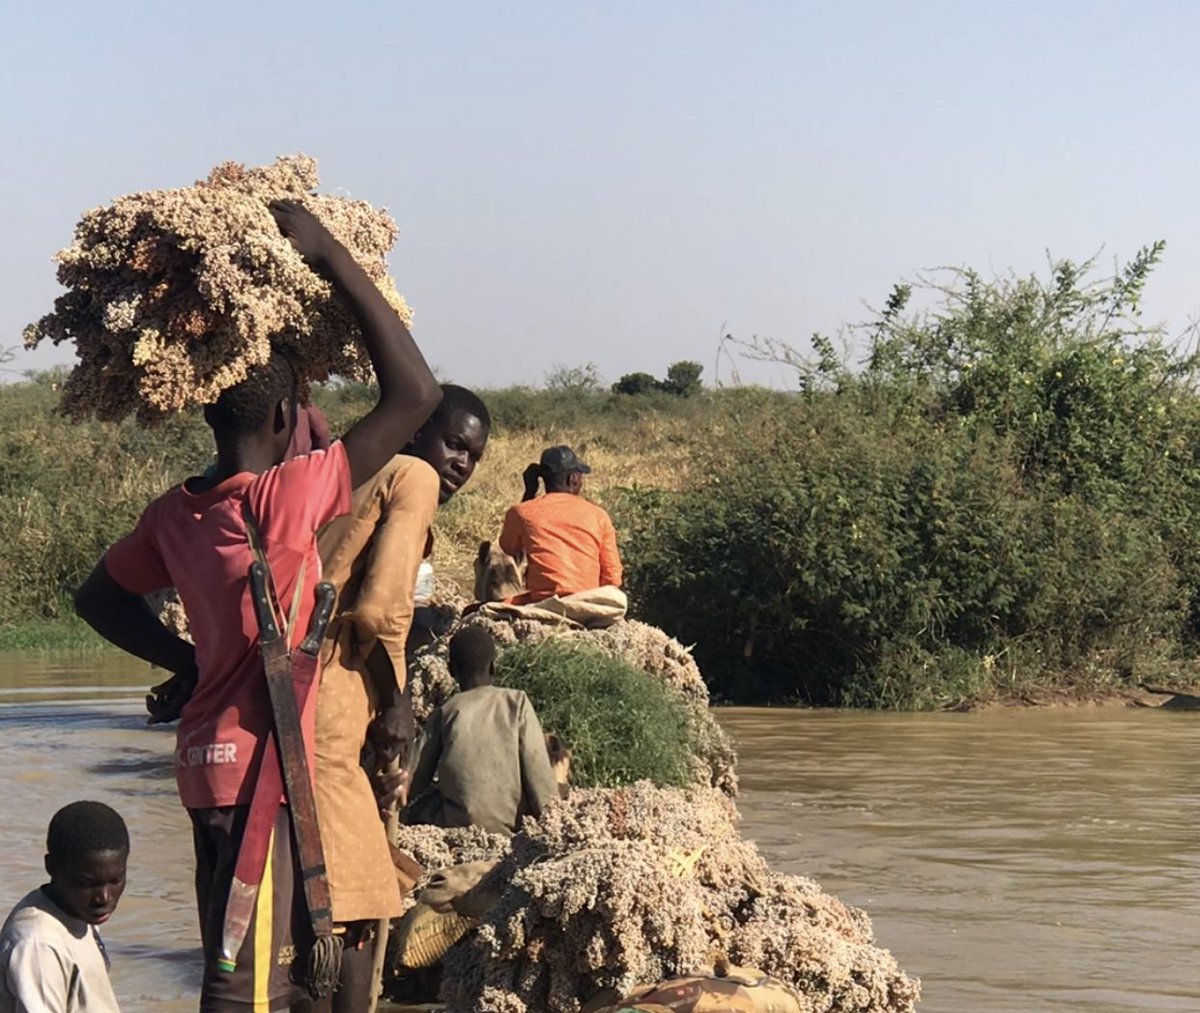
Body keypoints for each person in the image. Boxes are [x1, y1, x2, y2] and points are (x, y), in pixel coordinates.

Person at [73, 199, 441, 1013]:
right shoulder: (289, 495)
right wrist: (331, 253)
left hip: (207, 769)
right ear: (285, 418)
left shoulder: (173, 514)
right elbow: (415, 393)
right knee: (242, 988)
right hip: (261, 778)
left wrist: (189, 659)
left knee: (249, 957)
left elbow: (96, 597)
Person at [304, 384, 490, 1009]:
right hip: (334, 697)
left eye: (473, 455)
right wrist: (399, 706)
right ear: (415, 431)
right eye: (454, 444)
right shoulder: (412, 475)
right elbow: (380, 610)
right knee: (358, 905)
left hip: (306, 691)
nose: (460, 463)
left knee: (320, 885)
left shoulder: (346, 471)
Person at [405, 626, 559, 834]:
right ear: (493, 667)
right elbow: (537, 771)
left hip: (457, 827)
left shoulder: (447, 711)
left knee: (421, 807)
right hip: (510, 825)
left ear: (451, 670)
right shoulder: (517, 702)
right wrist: (552, 822)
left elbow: (413, 777)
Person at [1, 801, 129, 1013]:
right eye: (87, 884)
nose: (104, 897)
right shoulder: (38, 945)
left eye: (115, 880)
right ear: (51, 867)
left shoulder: (78, 911)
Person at [491, 446, 626, 626]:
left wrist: (529, 493)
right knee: (618, 598)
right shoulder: (598, 515)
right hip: (589, 607)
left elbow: (508, 549)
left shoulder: (521, 512)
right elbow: (613, 579)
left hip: (543, 605)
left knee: (487, 608)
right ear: (573, 479)